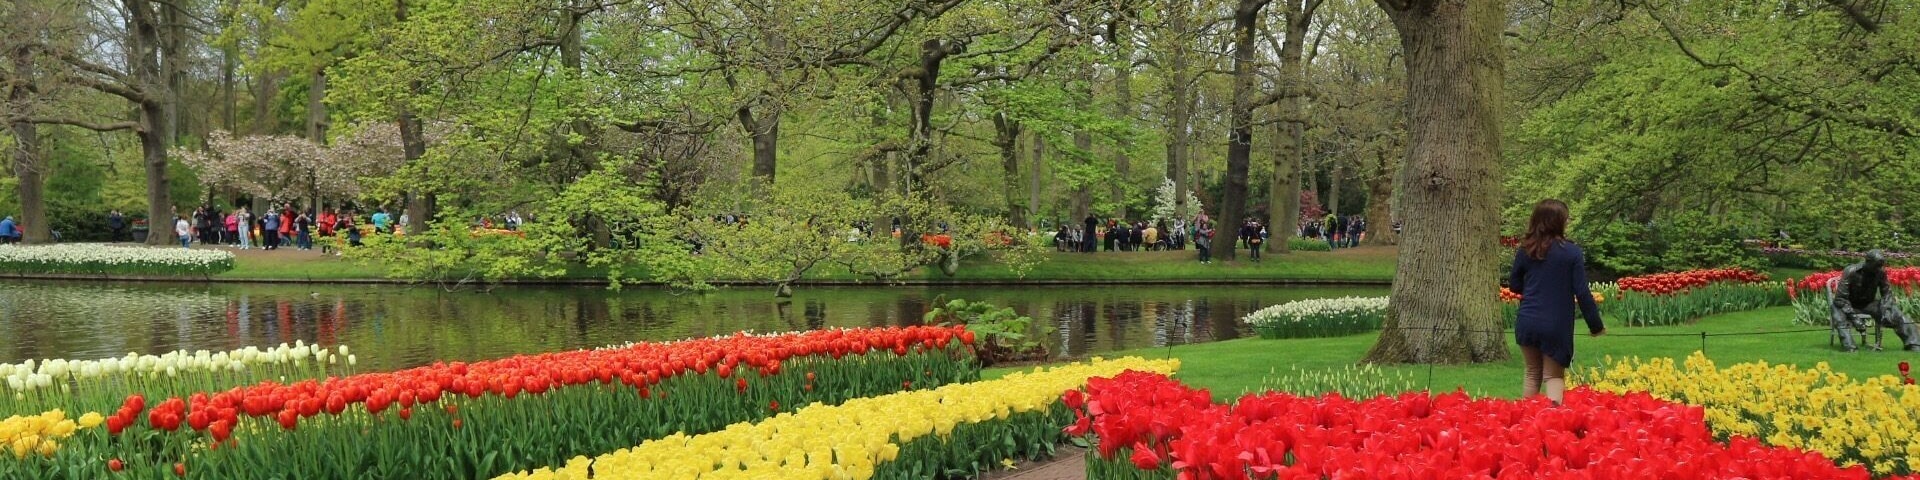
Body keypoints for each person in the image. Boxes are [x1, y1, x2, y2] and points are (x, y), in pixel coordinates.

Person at [1509, 199, 1605, 405]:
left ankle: (1525, 422)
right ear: (1558, 222)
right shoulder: (1571, 252)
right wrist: (1596, 326)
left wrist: (1536, 288)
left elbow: (1514, 286)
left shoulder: (1526, 250)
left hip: (1527, 320)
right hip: (1555, 323)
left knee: (1532, 373)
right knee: (1553, 376)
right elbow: (1582, 292)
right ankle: (1553, 424)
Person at [1830, 250, 1920, 352]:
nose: (1879, 269)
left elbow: (1887, 294)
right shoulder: (1851, 271)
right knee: (1837, 311)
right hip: (1848, 304)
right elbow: (1840, 298)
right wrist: (1854, 318)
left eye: (1881, 266)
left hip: (1868, 304)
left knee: (1896, 313)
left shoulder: (1880, 272)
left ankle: (1914, 344)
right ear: (1867, 262)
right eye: (1876, 266)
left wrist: (1886, 307)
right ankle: (1850, 347)